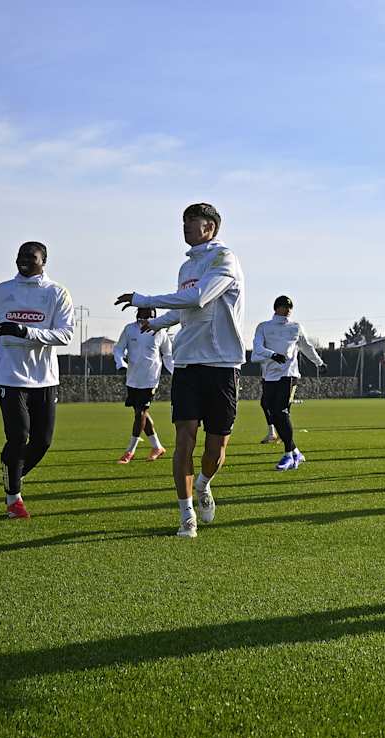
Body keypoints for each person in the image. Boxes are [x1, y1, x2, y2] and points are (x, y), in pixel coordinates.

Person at [114, 202, 246, 537]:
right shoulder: (185, 267)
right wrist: (156, 323)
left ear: (210, 227)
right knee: (184, 439)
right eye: (183, 221)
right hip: (187, 363)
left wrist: (144, 298)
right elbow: (184, 310)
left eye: (193, 221)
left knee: (216, 450)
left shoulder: (223, 259)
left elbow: (199, 298)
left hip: (221, 366)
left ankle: (203, 484)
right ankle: (186, 515)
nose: (185, 226)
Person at [0, 242, 74, 519]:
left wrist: (25, 331)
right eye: (20, 256)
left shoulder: (57, 293)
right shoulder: (1, 292)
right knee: (18, 436)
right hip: (9, 376)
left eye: (31, 257)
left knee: (42, 441)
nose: (24, 261)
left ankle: (12, 474)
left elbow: (65, 335)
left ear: (44, 260)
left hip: (45, 378)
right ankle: (14, 498)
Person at [252, 295, 325, 471]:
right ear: (276, 308)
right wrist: (273, 355)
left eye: (290, 307)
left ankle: (288, 455)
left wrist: (319, 363)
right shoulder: (263, 327)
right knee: (271, 411)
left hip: (289, 375)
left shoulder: (295, 327)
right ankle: (295, 451)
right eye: (284, 306)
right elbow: (257, 348)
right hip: (269, 375)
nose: (288, 310)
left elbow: (307, 346)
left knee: (281, 411)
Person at [113, 307, 174, 463]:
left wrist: (176, 372)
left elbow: (167, 354)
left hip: (150, 379)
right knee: (141, 415)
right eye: (144, 319)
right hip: (132, 379)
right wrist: (120, 363)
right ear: (138, 317)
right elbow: (119, 348)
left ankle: (130, 451)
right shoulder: (129, 329)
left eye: (151, 320)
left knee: (141, 412)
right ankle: (157, 447)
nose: (147, 323)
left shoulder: (160, 332)